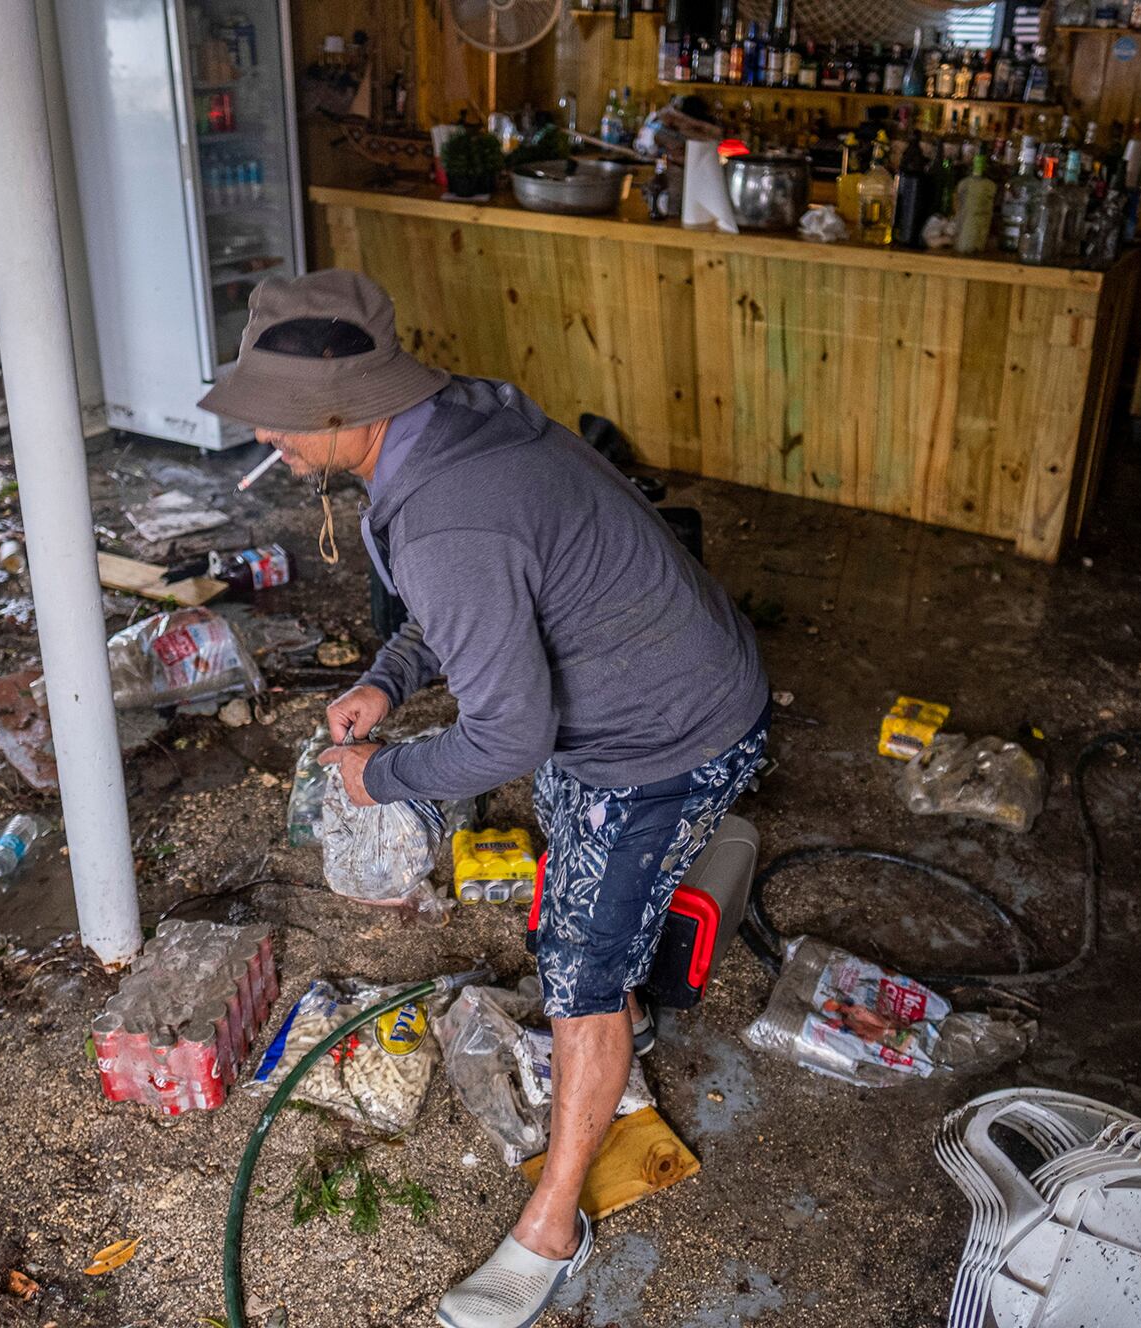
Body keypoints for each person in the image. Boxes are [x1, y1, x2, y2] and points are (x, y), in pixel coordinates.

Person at [199, 269, 768, 1328]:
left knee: (580, 968)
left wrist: (386, 777)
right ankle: (613, 1024)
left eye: (279, 421)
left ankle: (552, 1221)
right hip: (665, 669)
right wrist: (388, 679)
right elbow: (471, 603)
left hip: (664, 734)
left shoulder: (446, 515)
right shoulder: (451, 422)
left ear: (343, 410)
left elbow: (512, 731)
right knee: (583, 906)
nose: (267, 441)